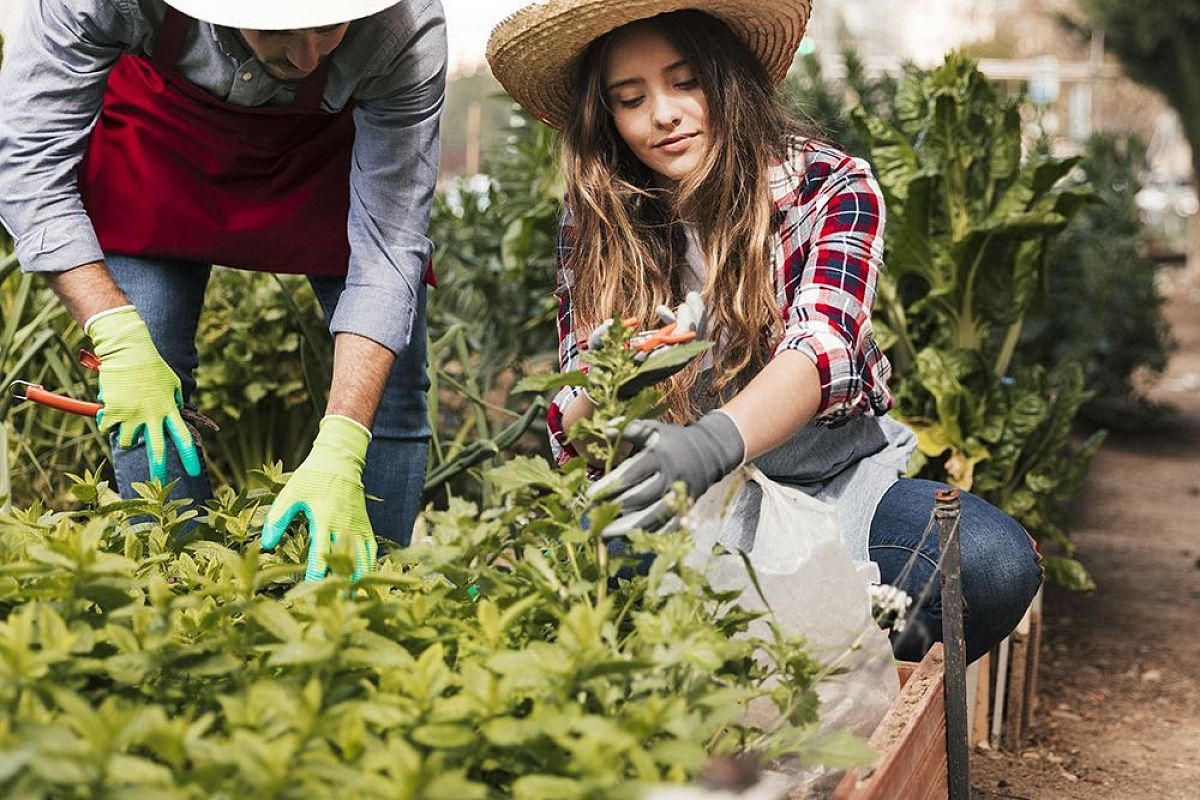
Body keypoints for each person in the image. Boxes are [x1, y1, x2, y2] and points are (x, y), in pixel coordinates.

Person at [486, 0, 1042, 662]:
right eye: (631, 99)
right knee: (573, 582)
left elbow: (820, 348)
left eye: (685, 81)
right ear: (608, 119)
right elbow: (571, 412)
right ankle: (730, 686)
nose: (663, 113)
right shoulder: (599, 220)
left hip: (833, 490)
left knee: (988, 563)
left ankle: (841, 692)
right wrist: (615, 373)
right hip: (684, 506)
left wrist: (710, 443)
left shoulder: (826, 186)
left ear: (728, 78)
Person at [0, 0, 447, 581]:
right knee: (146, 366)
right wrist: (115, 335)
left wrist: (342, 441)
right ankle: (182, 593)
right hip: (158, 145)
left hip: (326, 161)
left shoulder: (403, 27)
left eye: (329, 26)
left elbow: (389, 252)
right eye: (277, 29)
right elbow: (29, 164)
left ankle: (369, 590)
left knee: (390, 386)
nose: (307, 55)